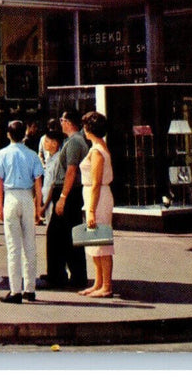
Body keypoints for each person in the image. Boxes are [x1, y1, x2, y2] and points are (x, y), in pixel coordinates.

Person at [0, 119, 44, 304]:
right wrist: (38, 208)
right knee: (30, 245)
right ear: (25, 134)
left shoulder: (3, 154)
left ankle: (15, 291)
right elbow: (38, 183)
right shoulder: (32, 155)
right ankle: (30, 289)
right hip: (27, 198)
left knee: (14, 247)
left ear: (8, 134)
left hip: (11, 197)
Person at [42, 109, 89, 290]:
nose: (60, 123)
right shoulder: (74, 141)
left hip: (68, 192)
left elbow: (71, 171)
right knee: (64, 236)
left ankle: (62, 275)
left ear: (69, 122)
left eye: (62, 120)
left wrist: (62, 198)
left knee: (59, 235)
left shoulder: (75, 142)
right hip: (69, 192)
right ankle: (62, 273)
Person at [79, 111, 115, 297]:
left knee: (101, 242)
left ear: (89, 129)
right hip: (96, 196)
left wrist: (91, 210)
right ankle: (98, 282)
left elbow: (96, 182)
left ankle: (106, 286)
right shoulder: (100, 146)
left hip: (98, 198)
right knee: (94, 242)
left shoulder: (96, 151)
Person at [39, 119, 64, 226]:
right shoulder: (50, 159)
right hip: (47, 201)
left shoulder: (57, 161)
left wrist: (44, 206)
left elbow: (53, 186)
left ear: (54, 144)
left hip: (52, 202)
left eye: (46, 141)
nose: (44, 144)